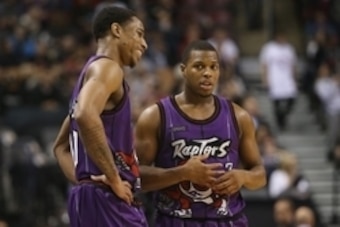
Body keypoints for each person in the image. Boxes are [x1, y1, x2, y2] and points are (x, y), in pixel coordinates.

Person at [135, 40, 266, 226]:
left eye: (214, 67)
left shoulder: (239, 116)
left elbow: (259, 174)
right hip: (175, 220)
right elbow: (137, 178)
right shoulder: (155, 116)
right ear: (183, 69)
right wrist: (182, 173)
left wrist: (243, 177)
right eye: (199, 66)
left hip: (227, 220)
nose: (208, 73)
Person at [53, 6, 148, 227]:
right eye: (139, 33)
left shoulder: (89, 79)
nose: (144, 44)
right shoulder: (107, 68)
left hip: (93, 197)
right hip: (107, 199)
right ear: (117, 30)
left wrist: (84, 181)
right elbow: (85, 115)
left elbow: (60, 147)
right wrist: (113, 179)